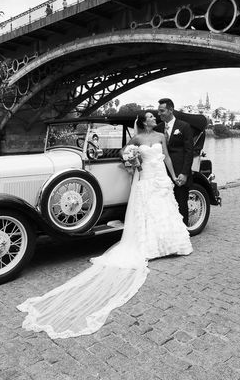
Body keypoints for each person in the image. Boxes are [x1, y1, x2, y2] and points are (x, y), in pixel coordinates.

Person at [17, 111, 192, 339]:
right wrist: (132, 159)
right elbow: (125, 152)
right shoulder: (138, 139)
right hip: (146, 175)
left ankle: (167, 242)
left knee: (162, 209)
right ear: (144, 122)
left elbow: (167, 156)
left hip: (159, 176)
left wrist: (174, 174)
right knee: (148, 209)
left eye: (154, 116)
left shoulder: (160, 136)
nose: (153, 118)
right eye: (150, 116)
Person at [155, 98, 194, 227]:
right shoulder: (158, 128)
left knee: (181, 203)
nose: (159, 114)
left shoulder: (184, 126)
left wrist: (184, 173)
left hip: (179, 173)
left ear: (171, 110)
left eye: (162, 111)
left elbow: (189, 152)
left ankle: (184, 234)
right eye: (158, 111)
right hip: (162, 173)